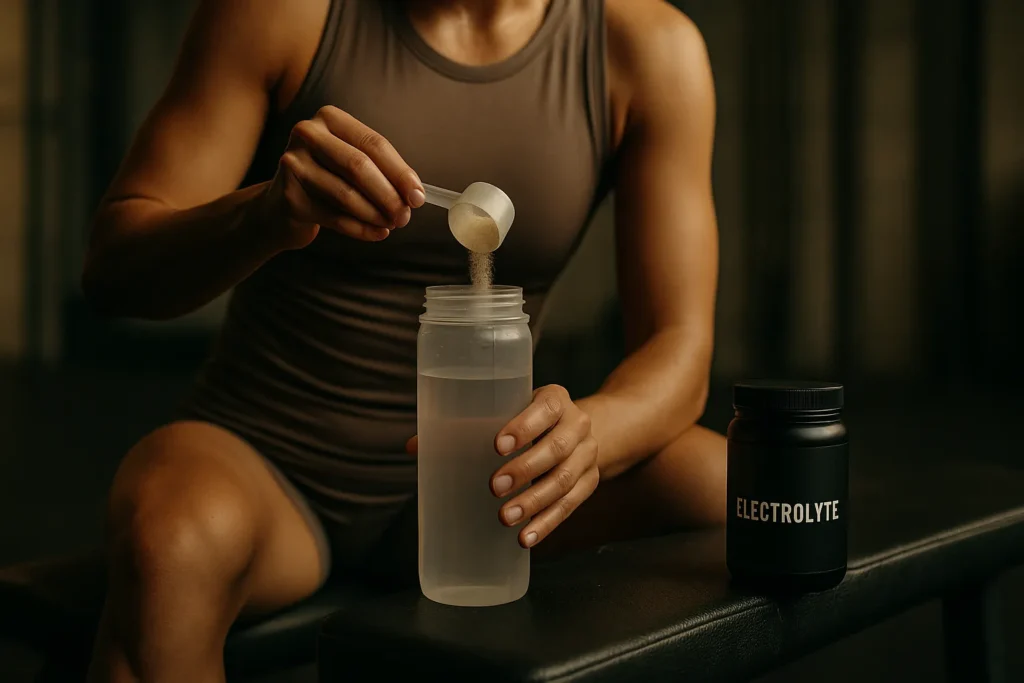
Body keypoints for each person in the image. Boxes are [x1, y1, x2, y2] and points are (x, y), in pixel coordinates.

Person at [81, 0, 725, 680]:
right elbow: (113, 271)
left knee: (725, 487)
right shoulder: (283, 13)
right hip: (270, 465)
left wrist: (591, 433)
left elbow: (680, 343)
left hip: (487, 481)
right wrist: (264, 214)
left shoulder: (647, 48)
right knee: (170, 539)